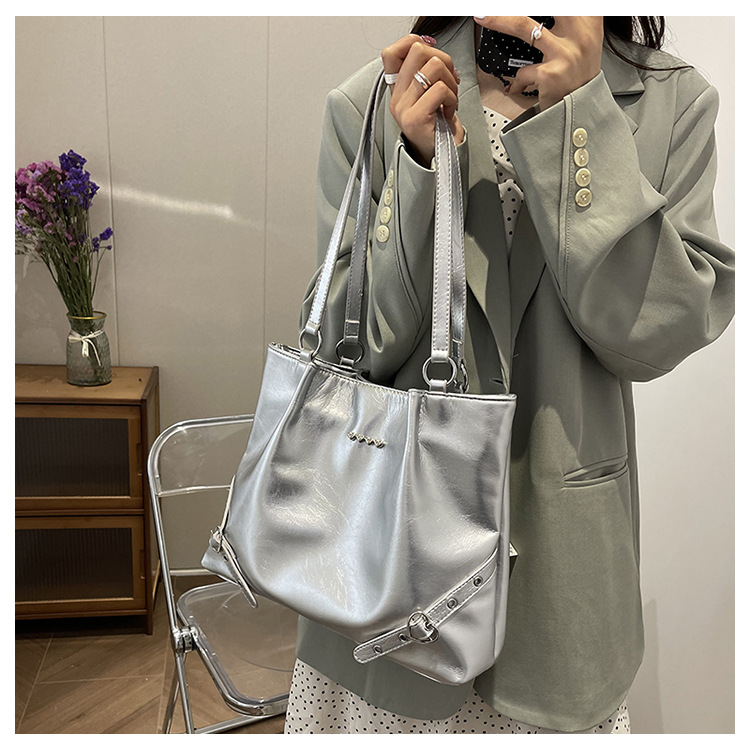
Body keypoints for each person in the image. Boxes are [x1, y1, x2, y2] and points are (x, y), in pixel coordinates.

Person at [284, 16, 735, 734]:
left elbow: (658, 333)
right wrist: (416, 169)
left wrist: (581, 125)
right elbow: (352, 343)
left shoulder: (671, 103)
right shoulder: (376, 98)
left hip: (561, 585)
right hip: (389, 576)